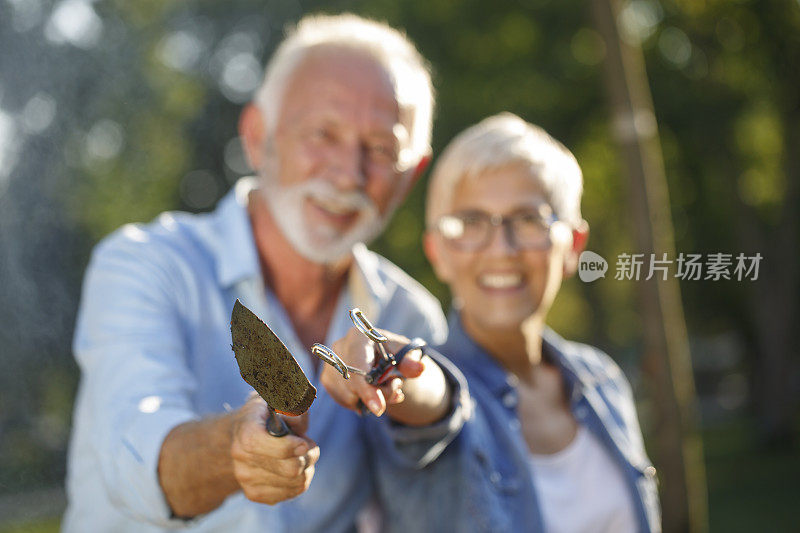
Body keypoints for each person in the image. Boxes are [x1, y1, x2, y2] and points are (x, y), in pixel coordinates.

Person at [63, 14, 469, 533]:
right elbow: (137, 456)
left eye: (382, 149)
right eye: (324, 134)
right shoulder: (146, 265)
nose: (349, 173)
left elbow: (429, 491)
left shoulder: (407, 316)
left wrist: (410, 387)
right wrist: (235, 448)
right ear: (257, 137)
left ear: (410, 175)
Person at [360, 113, 661, 532]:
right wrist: (384, 365)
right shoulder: (428, 391)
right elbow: (427, 397)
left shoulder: (604, 380)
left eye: (528, 219)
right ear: (438, 250)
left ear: (573, 245)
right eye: (470, 222)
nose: (501, 249)